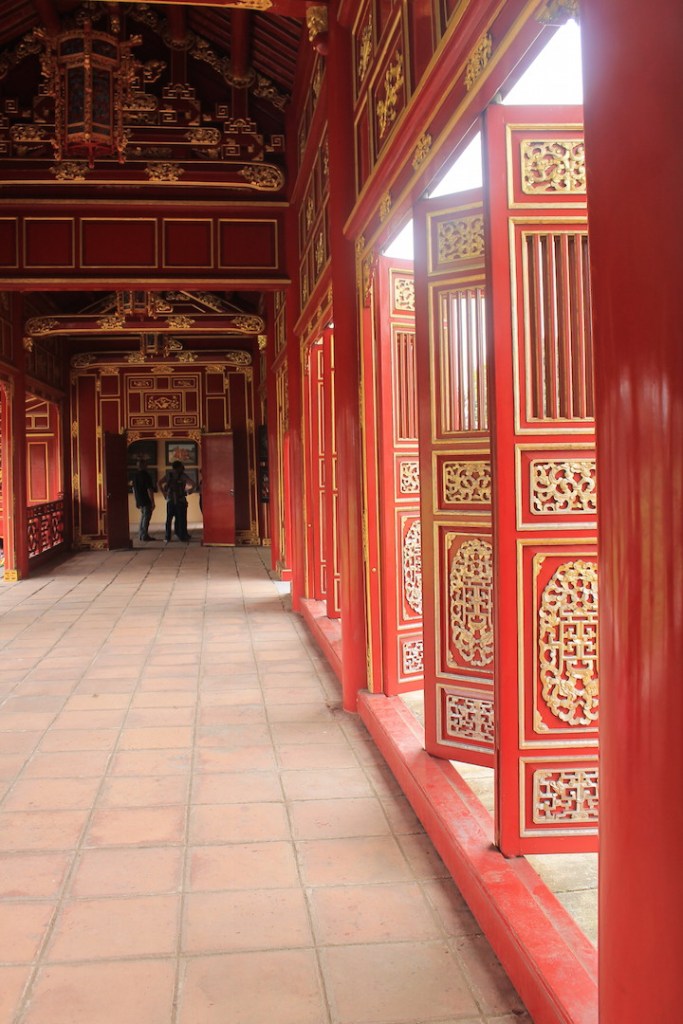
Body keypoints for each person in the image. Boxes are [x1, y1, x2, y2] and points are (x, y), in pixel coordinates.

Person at [160, 460, 195, 542]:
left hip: (170, 500)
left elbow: (159, 483)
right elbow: (193, 483)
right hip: (180, 500)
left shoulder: (169, 475)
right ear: (179, 467)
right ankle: (182, 535)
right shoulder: (182, 476)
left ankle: (167, 536)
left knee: (169, 519)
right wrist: (189, 491)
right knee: (181, 519)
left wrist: (164, 493)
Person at [131, 457, 156, 542]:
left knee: (143, 517)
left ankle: (141, 534)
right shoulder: (146, 475)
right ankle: (144, 535)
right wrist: (152, 501)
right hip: (146, 499)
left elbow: (133, 489)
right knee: (146, 518)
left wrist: (136, 500)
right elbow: (149, 489)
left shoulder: (135, 476)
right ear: (144, 465)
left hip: (139, 499)